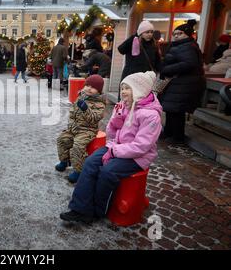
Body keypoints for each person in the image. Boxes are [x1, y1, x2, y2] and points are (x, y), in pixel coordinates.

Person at [60, 71, 162, 223]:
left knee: (107, 171)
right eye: (122, 88)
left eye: (128, 88)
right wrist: (116, 119)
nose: (123, 92)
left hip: (137, 157)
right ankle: (80, 208)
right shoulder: (125, 106)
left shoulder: (151, 115)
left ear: (139, 91)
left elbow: (142, 146)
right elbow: (112, 132)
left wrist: (114, 150)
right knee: (90, 162)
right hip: (117, 147)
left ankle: (98, 210)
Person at [159, 20, 206, 145]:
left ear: (187, 34)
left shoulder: (188, 46)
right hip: (178, 82)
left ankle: (177, 137)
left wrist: (166, 69)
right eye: (174, 34)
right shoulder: (182, 45)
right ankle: (169, 132)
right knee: (170, 109)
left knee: (177, 111)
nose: (175, 36)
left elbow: (189, 63)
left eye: (179, 33)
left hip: (183, 83)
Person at [55, 75, 106, 184]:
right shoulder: (80, 97)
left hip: (87, 130)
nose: (88, 88)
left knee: (77, 145)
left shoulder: (100, 104)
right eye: (87, 85)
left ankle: (78, 170)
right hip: (74, 128)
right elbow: (72, 114)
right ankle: (64, 161)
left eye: (93, 87)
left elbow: (94, 119)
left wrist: (86, 109)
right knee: (62, 139)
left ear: (98, 90)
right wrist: (71, 125)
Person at [118, 20, 161, 85]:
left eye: (151, 32)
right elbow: (121, 49)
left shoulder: (154, 45)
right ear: (141, 33)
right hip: (131, 76)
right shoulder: (133, 41)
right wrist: (134, 36)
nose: (150, 34)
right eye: (147, 32)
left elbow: (157, 62)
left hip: (146, 78)